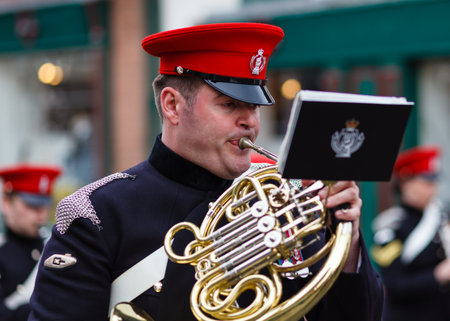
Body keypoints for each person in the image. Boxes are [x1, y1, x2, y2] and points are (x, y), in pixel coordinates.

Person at [28, 22, 383, 321]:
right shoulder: (98, 213)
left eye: (255, 106)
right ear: (172, 106)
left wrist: (347, 244)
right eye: (230, 104)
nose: (250, 122)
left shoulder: (286, 198)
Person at [372, 145, 450, 321]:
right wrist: (438, 275)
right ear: (406, 183)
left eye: (435, 182)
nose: (433, 189)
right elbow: (395, 286)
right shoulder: (390, 227)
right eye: (427, 183)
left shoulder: (442, 217)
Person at [0, 164, 61, 321]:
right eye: (31, 205)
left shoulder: (56, 246)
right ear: (6, 203)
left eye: (45, 205)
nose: (41, 214)